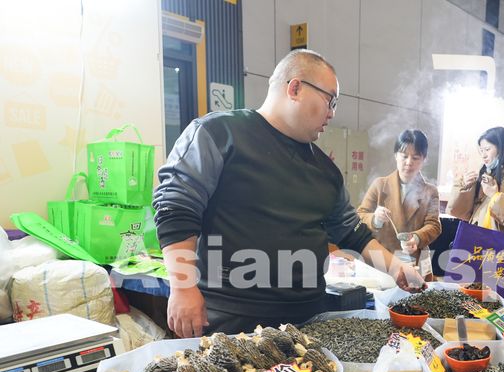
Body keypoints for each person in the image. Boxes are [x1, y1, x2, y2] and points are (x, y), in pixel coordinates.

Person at [153, 49, 425, 338]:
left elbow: (352, 233)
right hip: (230, 320)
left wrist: (396, 268)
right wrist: (183, 287)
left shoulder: (326, 171)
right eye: (330, 100)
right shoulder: (219, 134)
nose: (332, 113)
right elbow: (176, 207)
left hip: (306, 323)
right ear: (295, 88)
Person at [356, 129, 441, 279]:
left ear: (424, 159)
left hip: (415, 261)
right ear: (396, 155)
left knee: (417, 292)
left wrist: (416, 238)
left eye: (415, 157)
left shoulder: (430, 191)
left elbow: (434, 225)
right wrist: (375, 219)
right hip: (383, 262)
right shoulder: (380, 185)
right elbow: (360, 215)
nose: (409, 162)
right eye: (404, 156)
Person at [447, 126, 504, 240]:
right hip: (477, 244)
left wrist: (496, 197)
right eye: (481, 150)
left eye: (487, 149)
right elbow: (460, 213)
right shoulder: (485, 175)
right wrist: (464, 187)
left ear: (503, 149)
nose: (483, 155)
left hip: (501, 248)